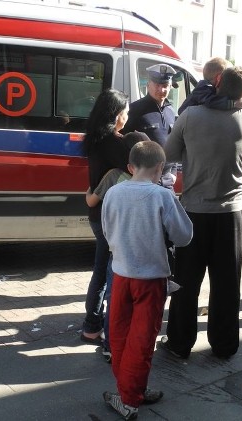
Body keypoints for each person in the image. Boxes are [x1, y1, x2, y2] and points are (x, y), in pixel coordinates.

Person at [159, 66, 242, 360]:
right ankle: (225, 345)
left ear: (216, 84)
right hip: (232, 214)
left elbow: (169, 155)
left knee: (186, 282)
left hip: (194, 212)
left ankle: (179, 343)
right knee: (227, 284)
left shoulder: (190, 116)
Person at [101, 140, 193, 419]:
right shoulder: (162, 196)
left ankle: (131, 389)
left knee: (118, 336)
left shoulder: (114, 192)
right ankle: (130, 399)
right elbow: (184, 235)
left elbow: (106, 232)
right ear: (161, 167)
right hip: (151, 280)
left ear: (130, 167)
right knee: (142, 339)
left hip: (120, 275)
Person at [84, 131, 150, 363]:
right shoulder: (151, 182)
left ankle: (109, 341)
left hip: (114, 242)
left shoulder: (113, 176)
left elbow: (92, 201)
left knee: (112, 289)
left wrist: (89, 190)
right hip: (140, 249)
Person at [80, 89, 131, 344]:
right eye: (126, 112)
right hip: (111, 216)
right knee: (108, 272)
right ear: (117, 115)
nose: (128, 116)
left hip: (95, 214)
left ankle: (91, 325)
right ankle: (97, 326)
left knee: (100, 269)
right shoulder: (118, 144)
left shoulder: (93, 140)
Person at [177, 57, 242, 115]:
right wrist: (233, 104)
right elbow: (212, 101)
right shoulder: (204, 87)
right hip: (186, 119)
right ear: (218, 77)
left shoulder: (206, 87)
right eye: (226, 77)